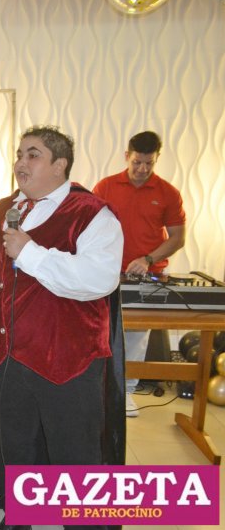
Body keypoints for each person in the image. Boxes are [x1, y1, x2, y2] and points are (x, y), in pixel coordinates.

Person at [0, 125, 124, 529]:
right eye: (19, 154)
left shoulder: (93, 214)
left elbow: (99, 279)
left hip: (68, 362)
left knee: (75, 455)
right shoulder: (0, 212)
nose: (21, 162)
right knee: (16, 450)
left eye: (33, 155)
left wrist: (30, 252)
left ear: (60, 165)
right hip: (6, 359)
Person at [93, 131, 186, 417]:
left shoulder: (168, 193)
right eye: (137, 162)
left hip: (146, 275)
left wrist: (148, 259)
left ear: (156, 159)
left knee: (136, 335)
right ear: (127, 157)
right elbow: (89, 226)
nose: (142, 169)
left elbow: (177, 238)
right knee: (100, 330)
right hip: (107, 272)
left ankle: (127, 392)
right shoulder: (106, 186)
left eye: (149, 163)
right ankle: (98, 392)